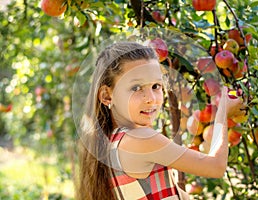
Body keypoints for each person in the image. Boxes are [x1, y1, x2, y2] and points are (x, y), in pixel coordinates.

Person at [76, 42, 245, 200]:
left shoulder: (113, 141)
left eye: (156, 86)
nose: (151, 99)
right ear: (107, 96)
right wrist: (223, 110)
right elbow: (216, 166)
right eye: (136, 88)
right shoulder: (140, 139)